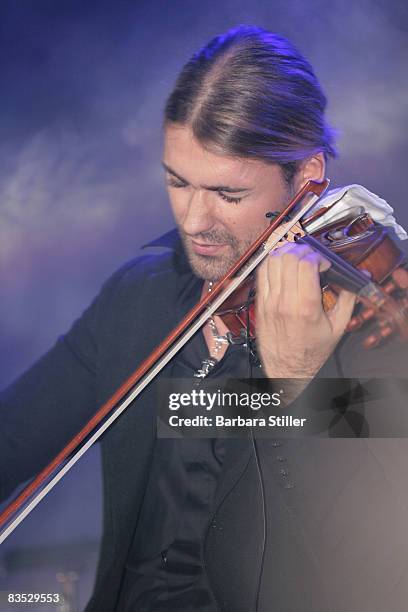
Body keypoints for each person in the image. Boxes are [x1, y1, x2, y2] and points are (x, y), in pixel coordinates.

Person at [1, 25, 408, 612]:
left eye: (228, 194)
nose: (194, 221)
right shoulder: (142, 293)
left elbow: (360, 578)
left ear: (309, 175)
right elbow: (13, 436)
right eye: (177, 182)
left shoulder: (371, 327)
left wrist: (294, 386)